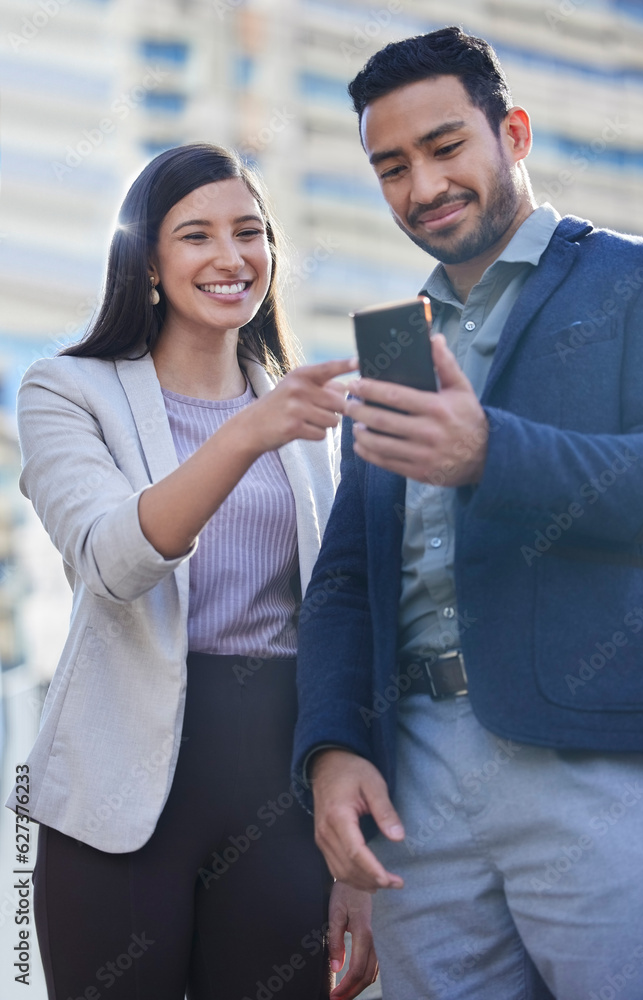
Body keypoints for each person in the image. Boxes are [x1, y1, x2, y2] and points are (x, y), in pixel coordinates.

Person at [292, 26, 643, 1000]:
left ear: (512, 131)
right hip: (415, 781)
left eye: (443, 147)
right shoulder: (392, 344)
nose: (421, 187)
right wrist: (334, 747)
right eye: (391, 167)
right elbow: (346, 577)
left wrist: (490, 455)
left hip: (592, 754)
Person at [7, 142, 377, 1000]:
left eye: (250, 232)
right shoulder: (67, 390)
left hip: (279, 787)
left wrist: (355, 857)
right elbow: (112, 563)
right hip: (115, 800)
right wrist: (246, 431)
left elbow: (342, 621)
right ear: (148, 264)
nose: (229, 256)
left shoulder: (311, 423)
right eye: (196, 235)